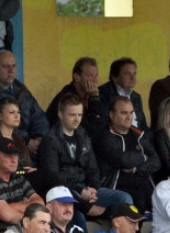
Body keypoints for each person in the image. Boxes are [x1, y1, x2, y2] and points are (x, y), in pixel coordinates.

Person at [37, 93, 132, 222]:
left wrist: (93, 188)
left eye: (80, 115)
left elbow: (92, 168)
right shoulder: (50, 141)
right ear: (60, 114)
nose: (77, 119)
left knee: (124, 198)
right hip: (65, 192)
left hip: (87, 190)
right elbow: (53, 177)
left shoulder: (83, 135)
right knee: (78, 216)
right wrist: (80, 191)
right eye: (72, 115)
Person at [94, 95, 161, 211]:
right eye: (124, 113)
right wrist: (145, 157)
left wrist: (135, 169)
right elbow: (123, 160)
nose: (129, 117)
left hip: (144, 187)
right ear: (112, 115)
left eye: (131, 113)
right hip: (116, 189)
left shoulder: (138, 134)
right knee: (137, 199)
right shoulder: (105, 136)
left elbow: (156, 161)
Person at [45, 56, 103, 134]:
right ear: (77, 77)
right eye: (90, 76)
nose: (95, 80)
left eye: (96, 76)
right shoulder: (67, 97)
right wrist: (94, 99)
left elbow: (101, 123)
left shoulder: (90, 95)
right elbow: (89, 129)